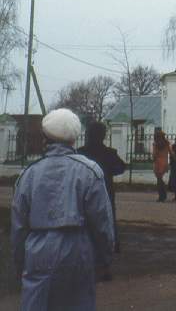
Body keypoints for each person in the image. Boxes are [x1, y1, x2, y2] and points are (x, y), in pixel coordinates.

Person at [11, 108, 114, 311]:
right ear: (74, 139)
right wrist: (104, 258)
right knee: (77, 303)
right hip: (77, 247)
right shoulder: (90, 171)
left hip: (38, 247)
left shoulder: (29, 174)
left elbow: (19, 225)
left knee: (36, 304)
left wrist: (20, 261)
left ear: (45, 138)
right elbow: (102, 221)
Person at [78, 121, 126, 263]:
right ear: (103, 136)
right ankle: (108, 251)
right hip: (105, 190)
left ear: (88, 134)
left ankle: (85, 248)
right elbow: (121, 168)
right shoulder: (109, 153)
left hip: (83, 192)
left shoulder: (81, 153)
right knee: (107, 219)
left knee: (84, 219)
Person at [152, 128, 172, 202]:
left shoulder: (155, 144)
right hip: (164, 163)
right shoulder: (167, 143)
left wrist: (153, 159)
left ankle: (162, 196)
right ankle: (163, 195)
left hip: (158, 163)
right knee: (160, 179)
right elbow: (171, 153)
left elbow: (154, 154)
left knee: (159, 179)